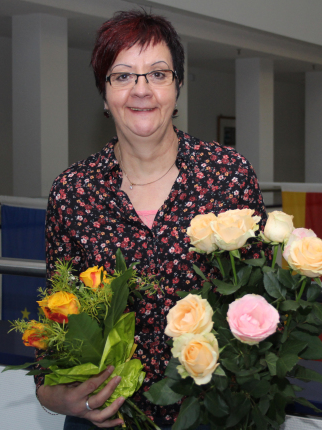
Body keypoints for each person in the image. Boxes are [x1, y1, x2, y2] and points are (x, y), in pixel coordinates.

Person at [35, 10, 268, 430]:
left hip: (210, 417)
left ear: (177, 86)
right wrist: (55, 395)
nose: (141, 90)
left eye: (157, 74)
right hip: (110, 420)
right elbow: (58, 321)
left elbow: (260, 310)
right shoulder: (73, 192)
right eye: (122, 76)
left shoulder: (226, 176)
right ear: (104, 94)